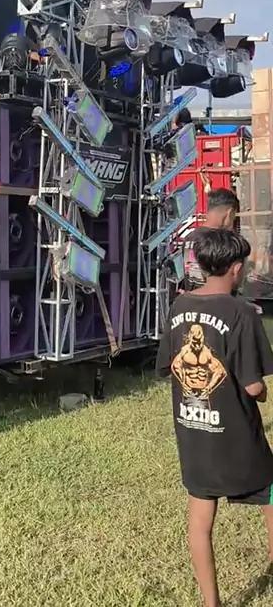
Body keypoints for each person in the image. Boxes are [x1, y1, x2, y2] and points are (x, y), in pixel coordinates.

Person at [156, 229, 273, 607]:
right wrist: (262, 393)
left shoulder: (178, 307)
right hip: (238, 438)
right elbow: (253, 386)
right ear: (236, 269)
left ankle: (211, 603)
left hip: (194, 433)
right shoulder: (242, 313)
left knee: (199, 518)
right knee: (271, 495)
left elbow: (170, 366)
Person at [183, 188, 240, 292]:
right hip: (218, 298)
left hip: (192, 297)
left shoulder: (190, 238)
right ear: (229, 212)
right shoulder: (222, 241)